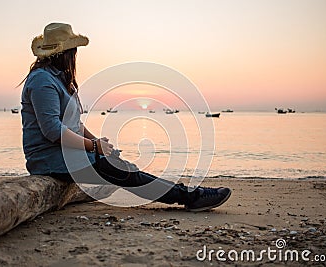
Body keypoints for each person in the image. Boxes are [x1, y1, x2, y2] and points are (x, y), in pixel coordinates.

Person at [21, 22, 231, 211]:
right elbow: (52, 130)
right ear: (65, 53)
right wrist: (93, 148)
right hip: (49, 160)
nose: (75, 56)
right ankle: (191, 196)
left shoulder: (59, 79)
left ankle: (188, 194)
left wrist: (96, 142)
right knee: (121, 171)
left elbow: (74, 123)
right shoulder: (42, 81)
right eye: (73, 51)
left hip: (68, 155)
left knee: (121, 166)